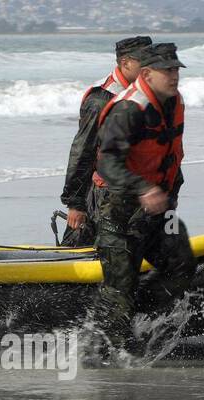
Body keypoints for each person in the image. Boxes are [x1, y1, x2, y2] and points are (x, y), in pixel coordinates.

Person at [85, 43, 197, 365]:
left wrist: (164, 193)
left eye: (176, 69)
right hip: (118, 210)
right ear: (147, 74)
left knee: (183, 264)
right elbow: (107, 164)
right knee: (119, 285)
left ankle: (140, 320)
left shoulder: (173, 102)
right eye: (168, 71)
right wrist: (142, 188)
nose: (174, 76)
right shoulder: (127, 109)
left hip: (161, 212)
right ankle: (102, 353)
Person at [59, 35, 151, 247]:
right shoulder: (102, 99)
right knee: (86, 246)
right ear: (125, 63)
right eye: (144, 62)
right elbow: (83, 150)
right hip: (105, 193)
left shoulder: (147, 93)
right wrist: (75, 204)